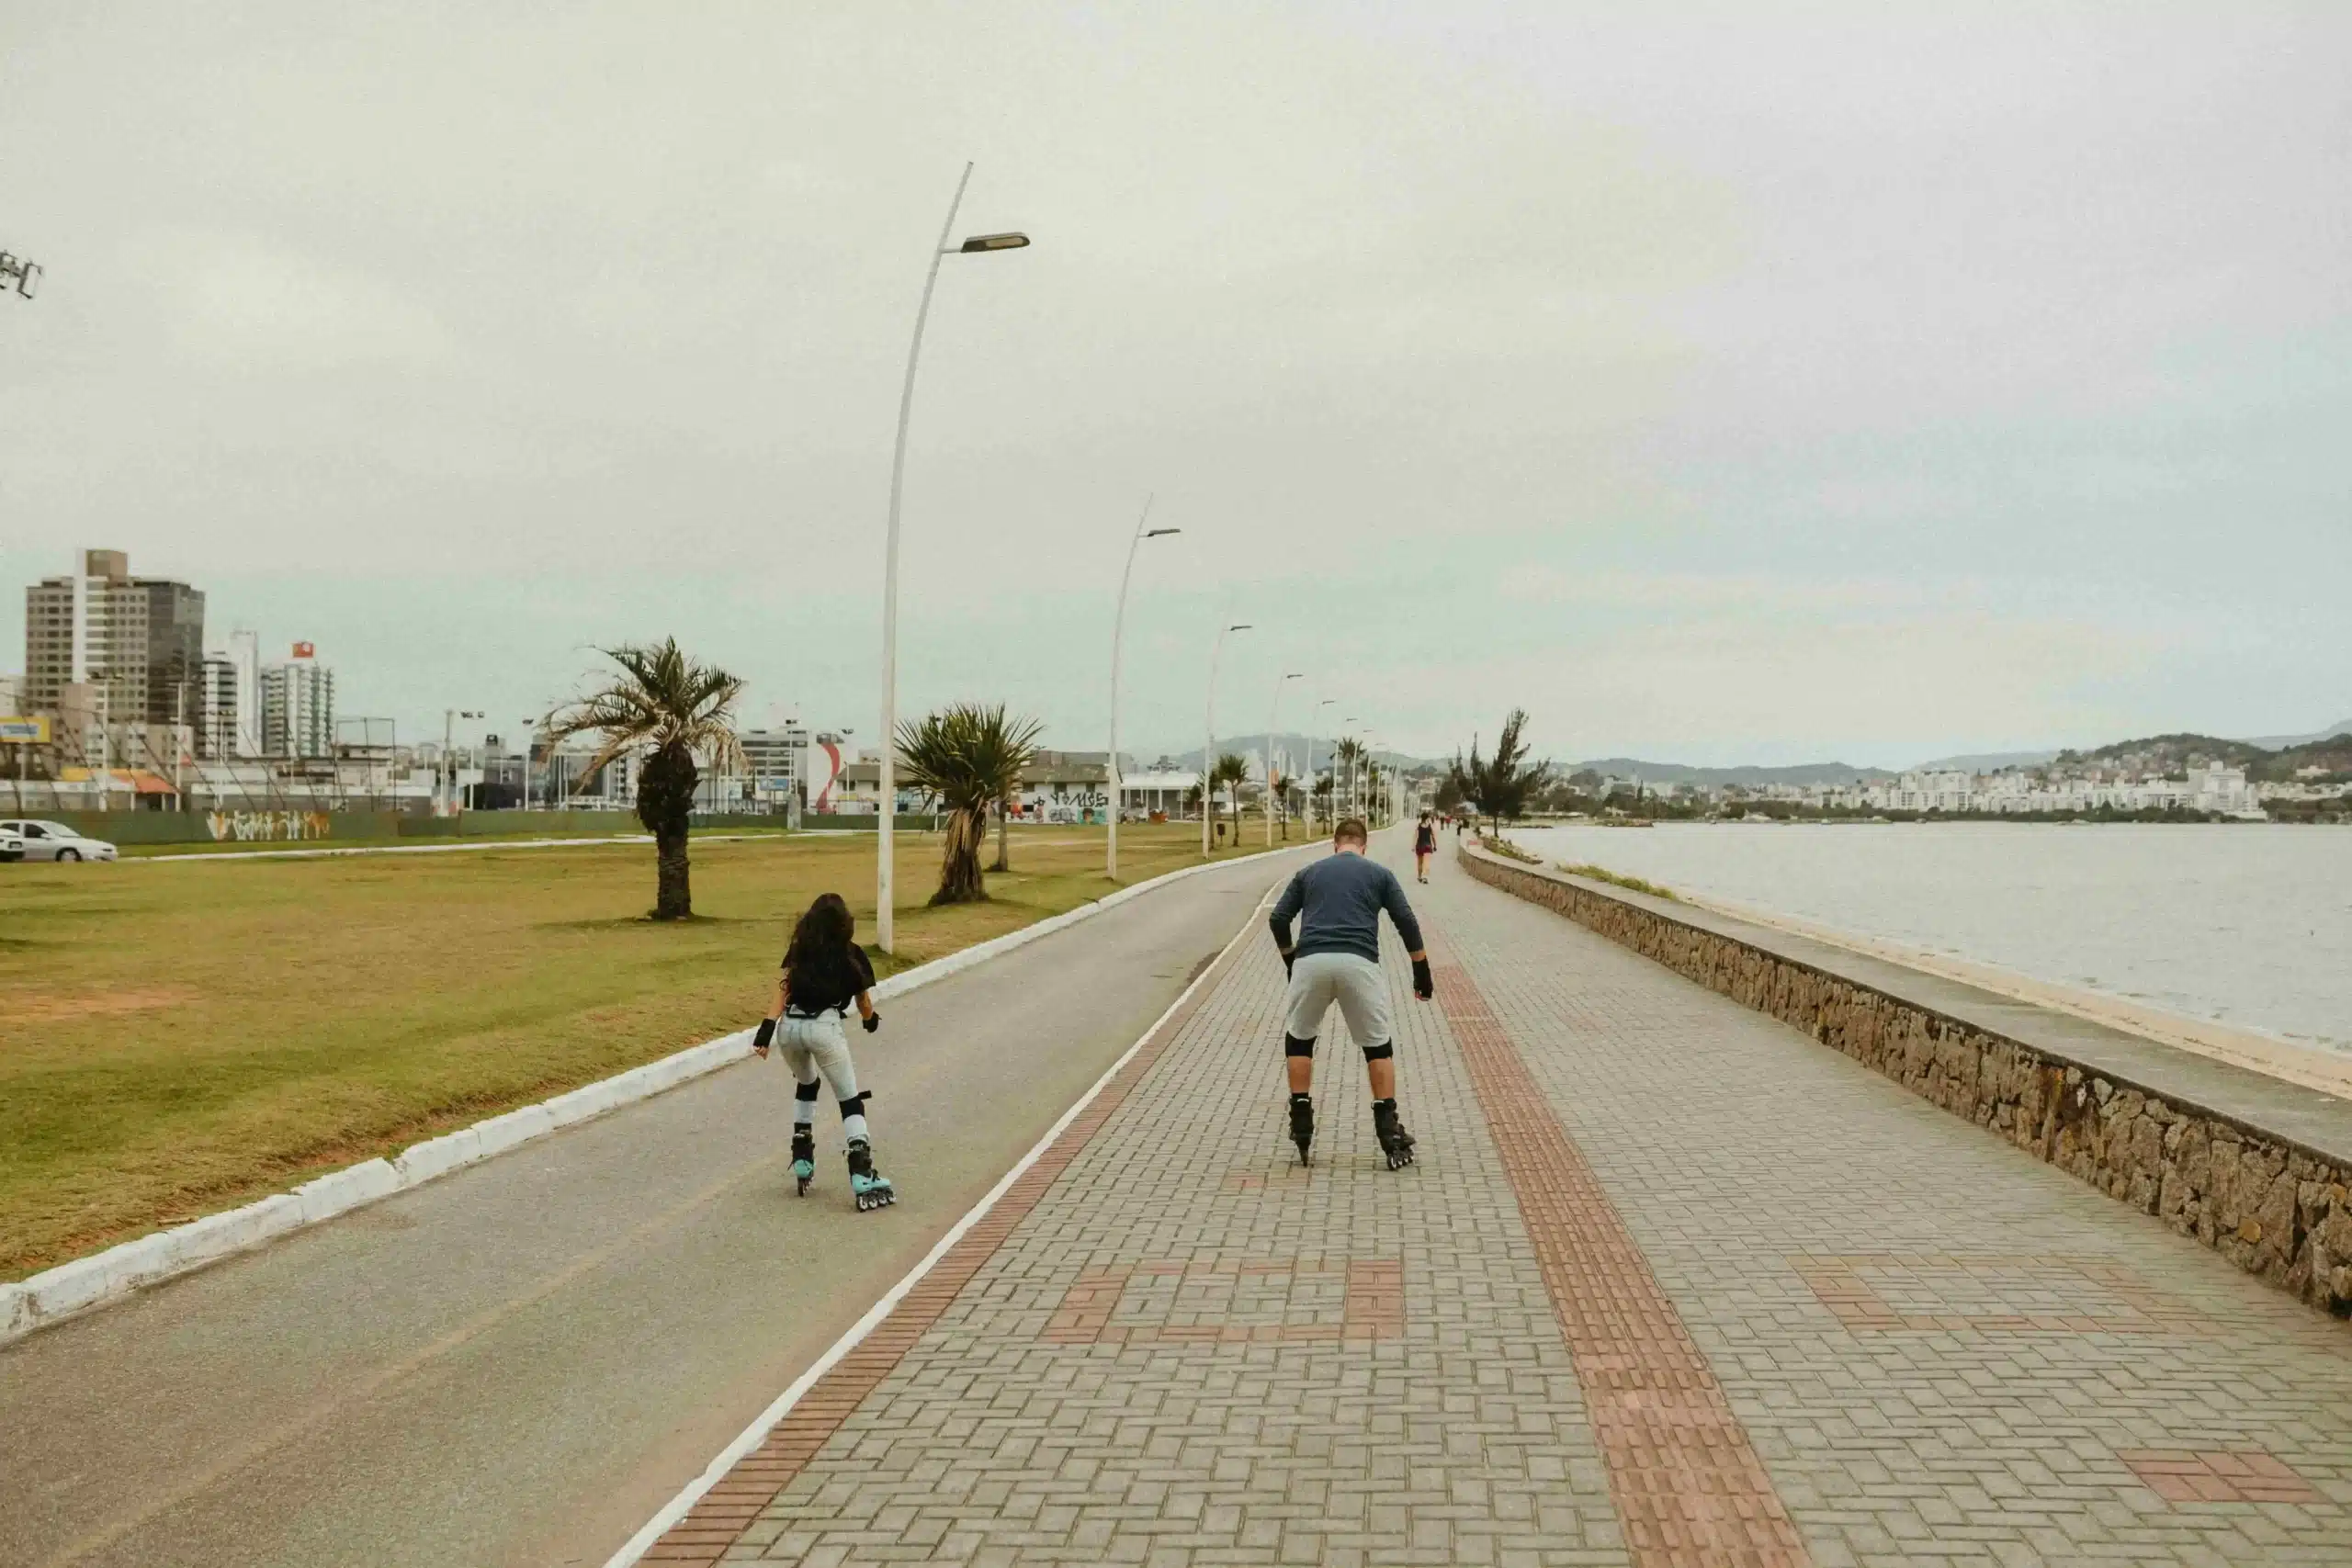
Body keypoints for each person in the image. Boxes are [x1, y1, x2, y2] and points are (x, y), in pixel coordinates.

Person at [1270, 817, 1433, 1170]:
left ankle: (1300, 1119)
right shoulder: (1379, 874)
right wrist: (1421, 970)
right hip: (1359, 963)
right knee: (1377, 1046)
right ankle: (1389, 1131)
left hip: (1311, 961)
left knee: (1300, 1040)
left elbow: (1278, 918)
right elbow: (1407, 921)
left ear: (1334, 844)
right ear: (1364, 845)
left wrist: (1290, 960)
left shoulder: (1308, 872)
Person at [752, 892, 895, 1211]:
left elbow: (784, 989)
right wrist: (871, 1022)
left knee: (807, 1083)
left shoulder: (799, 951)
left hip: (789, 1028)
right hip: (824, 1028)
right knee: (850, 1100)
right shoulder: (851, 955)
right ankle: (862, 1172)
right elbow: (863, 1002)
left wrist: (765, 1031)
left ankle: (802, 1156)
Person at [1413, 811, 1438, 883]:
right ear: (1427, 818)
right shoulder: (1430, 826)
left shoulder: (1418, 826)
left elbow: (1416, 836)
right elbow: (1433, 836)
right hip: (1427, 846)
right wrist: (1435, 845)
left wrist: (1413, 846)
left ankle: (1419, 876)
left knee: (1420, 862)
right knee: (1426, 862)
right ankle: (1425, 878)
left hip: (1420, 846)